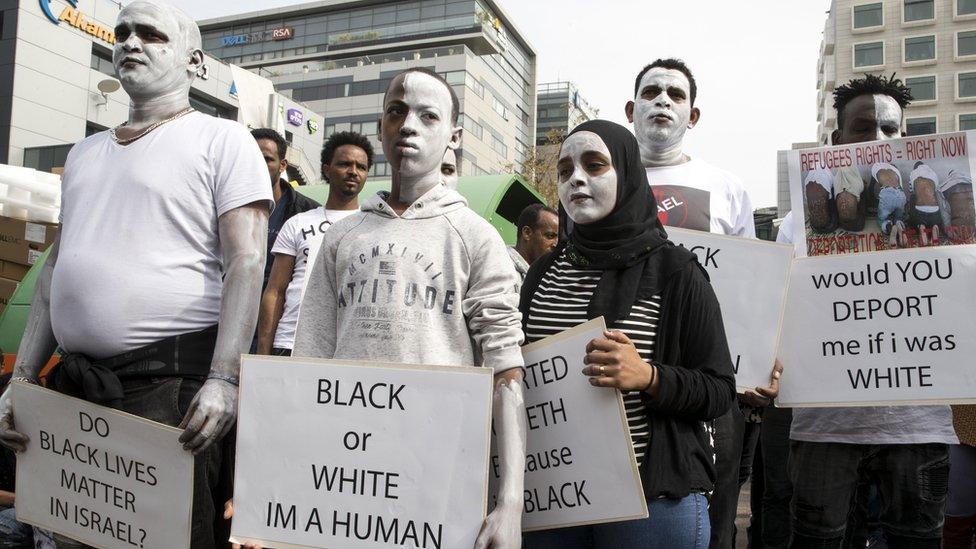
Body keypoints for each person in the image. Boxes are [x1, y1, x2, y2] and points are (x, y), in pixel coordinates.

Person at [0, 2, 271, 547]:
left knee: (162, 538)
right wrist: (22, 378)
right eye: (122, 32)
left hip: (168, 386)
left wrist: (224, 379)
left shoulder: (223, 140)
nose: (129, 42)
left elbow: (246, 261)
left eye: (150, 34)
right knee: (65, 535)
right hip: (73, 387)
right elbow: (57, 268)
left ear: (193, 61)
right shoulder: (83, 153)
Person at [292, 67, 526, 549]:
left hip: (437, 474)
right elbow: (308, 364)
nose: (408, 125)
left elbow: (506, 373)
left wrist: (510, 505)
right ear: (381, 127)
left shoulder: (475, 237)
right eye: (396, 111)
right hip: (346, 470)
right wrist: (283, 486)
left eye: (427, 114)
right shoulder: (342, 236)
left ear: (454, 136)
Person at [520, 120, 734, 549]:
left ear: (628, 173)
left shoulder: (677, 272)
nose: (576, 178)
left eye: (594, 165)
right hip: (555, 494)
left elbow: (718, 389)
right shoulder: (543, 273)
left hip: (648, 504)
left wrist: (648, 376)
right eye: (564, 171)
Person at [778, 74, 956, 549]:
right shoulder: (798, 223)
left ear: (904, 137)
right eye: (863, 128)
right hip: (824, 426)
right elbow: (779, 310)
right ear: (837, 139)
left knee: (917, 539)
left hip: (918, 423)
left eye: (890, 130)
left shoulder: (940, 214)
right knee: (817, 540)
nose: (878, 140)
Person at [625, 57, 770, 549]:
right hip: (619, 380)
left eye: (675, 94)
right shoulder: (598, 179)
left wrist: (751, 371)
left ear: (693, 115)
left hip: (709, 383)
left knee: (715, 513)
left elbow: (750, 288)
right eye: (651, 92)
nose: (662, 100)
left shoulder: (728, 187)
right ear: (631, 108)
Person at [256, 131, 372, 356]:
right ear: (327, 169)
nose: (353, 172)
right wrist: (262, 354)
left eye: (361, 167)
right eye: (345, 164)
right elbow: (276, 292)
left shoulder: (375, 226)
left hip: (346, 348)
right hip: (290, 343)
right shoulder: (298, 223)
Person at [252, 128, 320, 291]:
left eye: (267, 159)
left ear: (282, 165)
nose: (258, 164)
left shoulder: (308, 213)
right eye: (252, 158)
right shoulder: (223, 205)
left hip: (279, 310)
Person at [508, 204, 558, 279]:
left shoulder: (544, 278)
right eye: (550, 236)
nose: (556, 245)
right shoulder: (502, 268)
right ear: (527, 233)